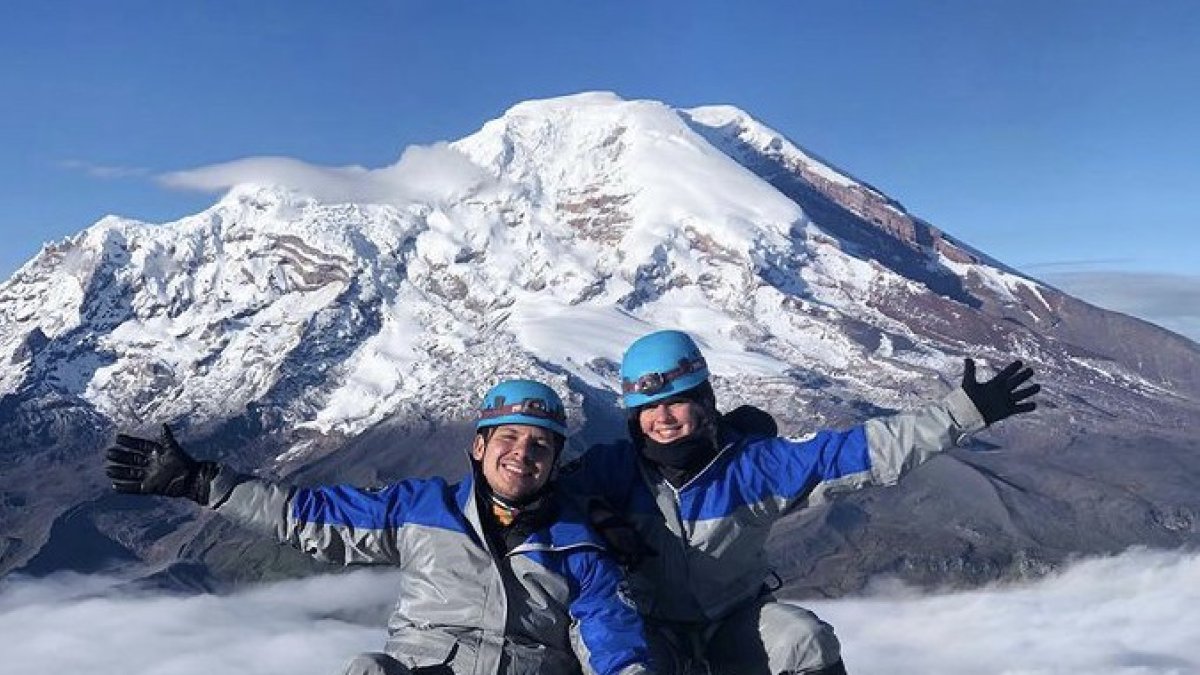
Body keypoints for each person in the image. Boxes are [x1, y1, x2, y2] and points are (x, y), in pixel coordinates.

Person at [561, 330, 1040, 675]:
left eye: (675, 401)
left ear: (705, 402)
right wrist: (599, 515)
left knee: (805, 640)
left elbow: (861, 452)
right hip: (651, 628)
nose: (662, 418)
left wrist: (963, 413)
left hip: (734, 622)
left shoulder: (754, 467)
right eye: (647, 407)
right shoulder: (612, 470)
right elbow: (538, 496)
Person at [105, 379, 655, 675]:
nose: (522, 454)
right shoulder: (423, 509)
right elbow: (312, 517)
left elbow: (611, 637)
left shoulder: (580, 544)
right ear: (479, 446)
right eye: (508, 438)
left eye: (539, 445)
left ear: (556, 462)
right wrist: (203, 483)